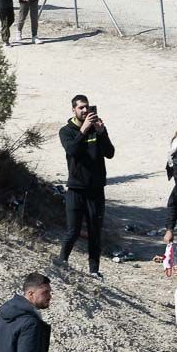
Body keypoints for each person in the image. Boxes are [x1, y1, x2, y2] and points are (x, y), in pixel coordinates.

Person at [59, 94, 115, 278]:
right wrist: (83, 131)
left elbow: (110, 153)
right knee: (73, 230)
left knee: (95, 231)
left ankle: (94, 270)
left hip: (96, 189)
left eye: (87, 107)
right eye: (81, 108)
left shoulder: (96, 129)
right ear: (73, 110)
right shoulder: (66, 131)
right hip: (76, 188)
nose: (85, 111)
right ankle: (61, 262)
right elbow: (72, 151)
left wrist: (101, 133)